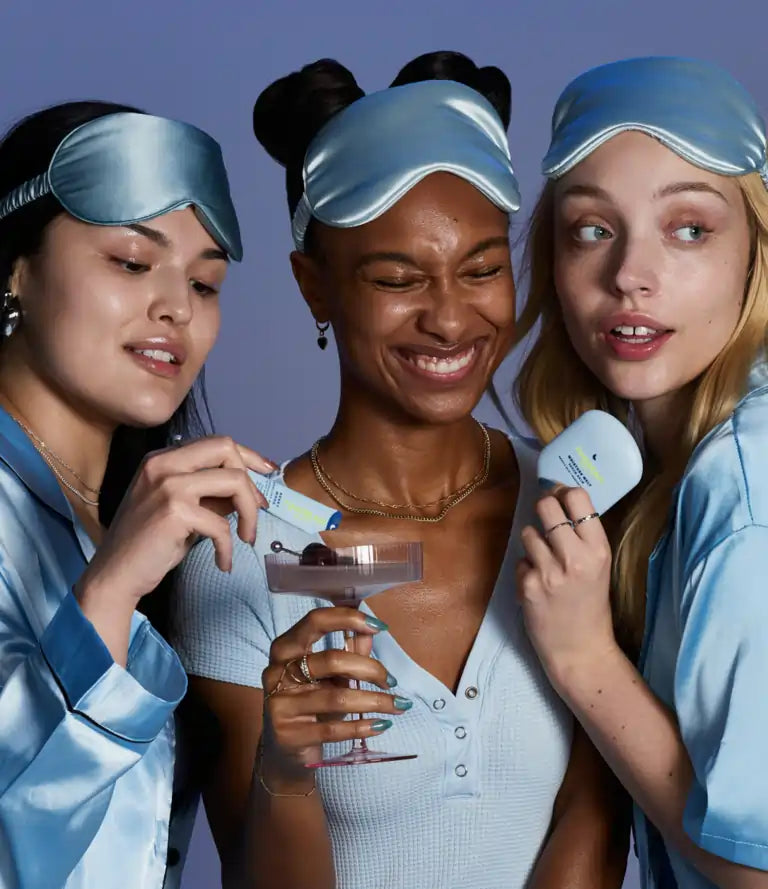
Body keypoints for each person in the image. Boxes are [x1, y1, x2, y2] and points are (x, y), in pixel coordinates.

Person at [172, 52, 629, 889]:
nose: (450, 319)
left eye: (483, 269)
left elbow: (596, 815)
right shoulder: (243, 553)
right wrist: (285, 770)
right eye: (396, 278)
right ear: (314, 287)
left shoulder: (572, 512)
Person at [0, 101, 274, 889]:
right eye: (130, 261)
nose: (176, 308)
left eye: (205, 282)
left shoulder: (154, 529)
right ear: (14, 268)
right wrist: (109, 591)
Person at [514, 56, 768, 888]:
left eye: (689, 228)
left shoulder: (745, 486)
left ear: (756, 252)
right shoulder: (673, 467)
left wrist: (585, 658)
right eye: (593, 229)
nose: (629, 274)